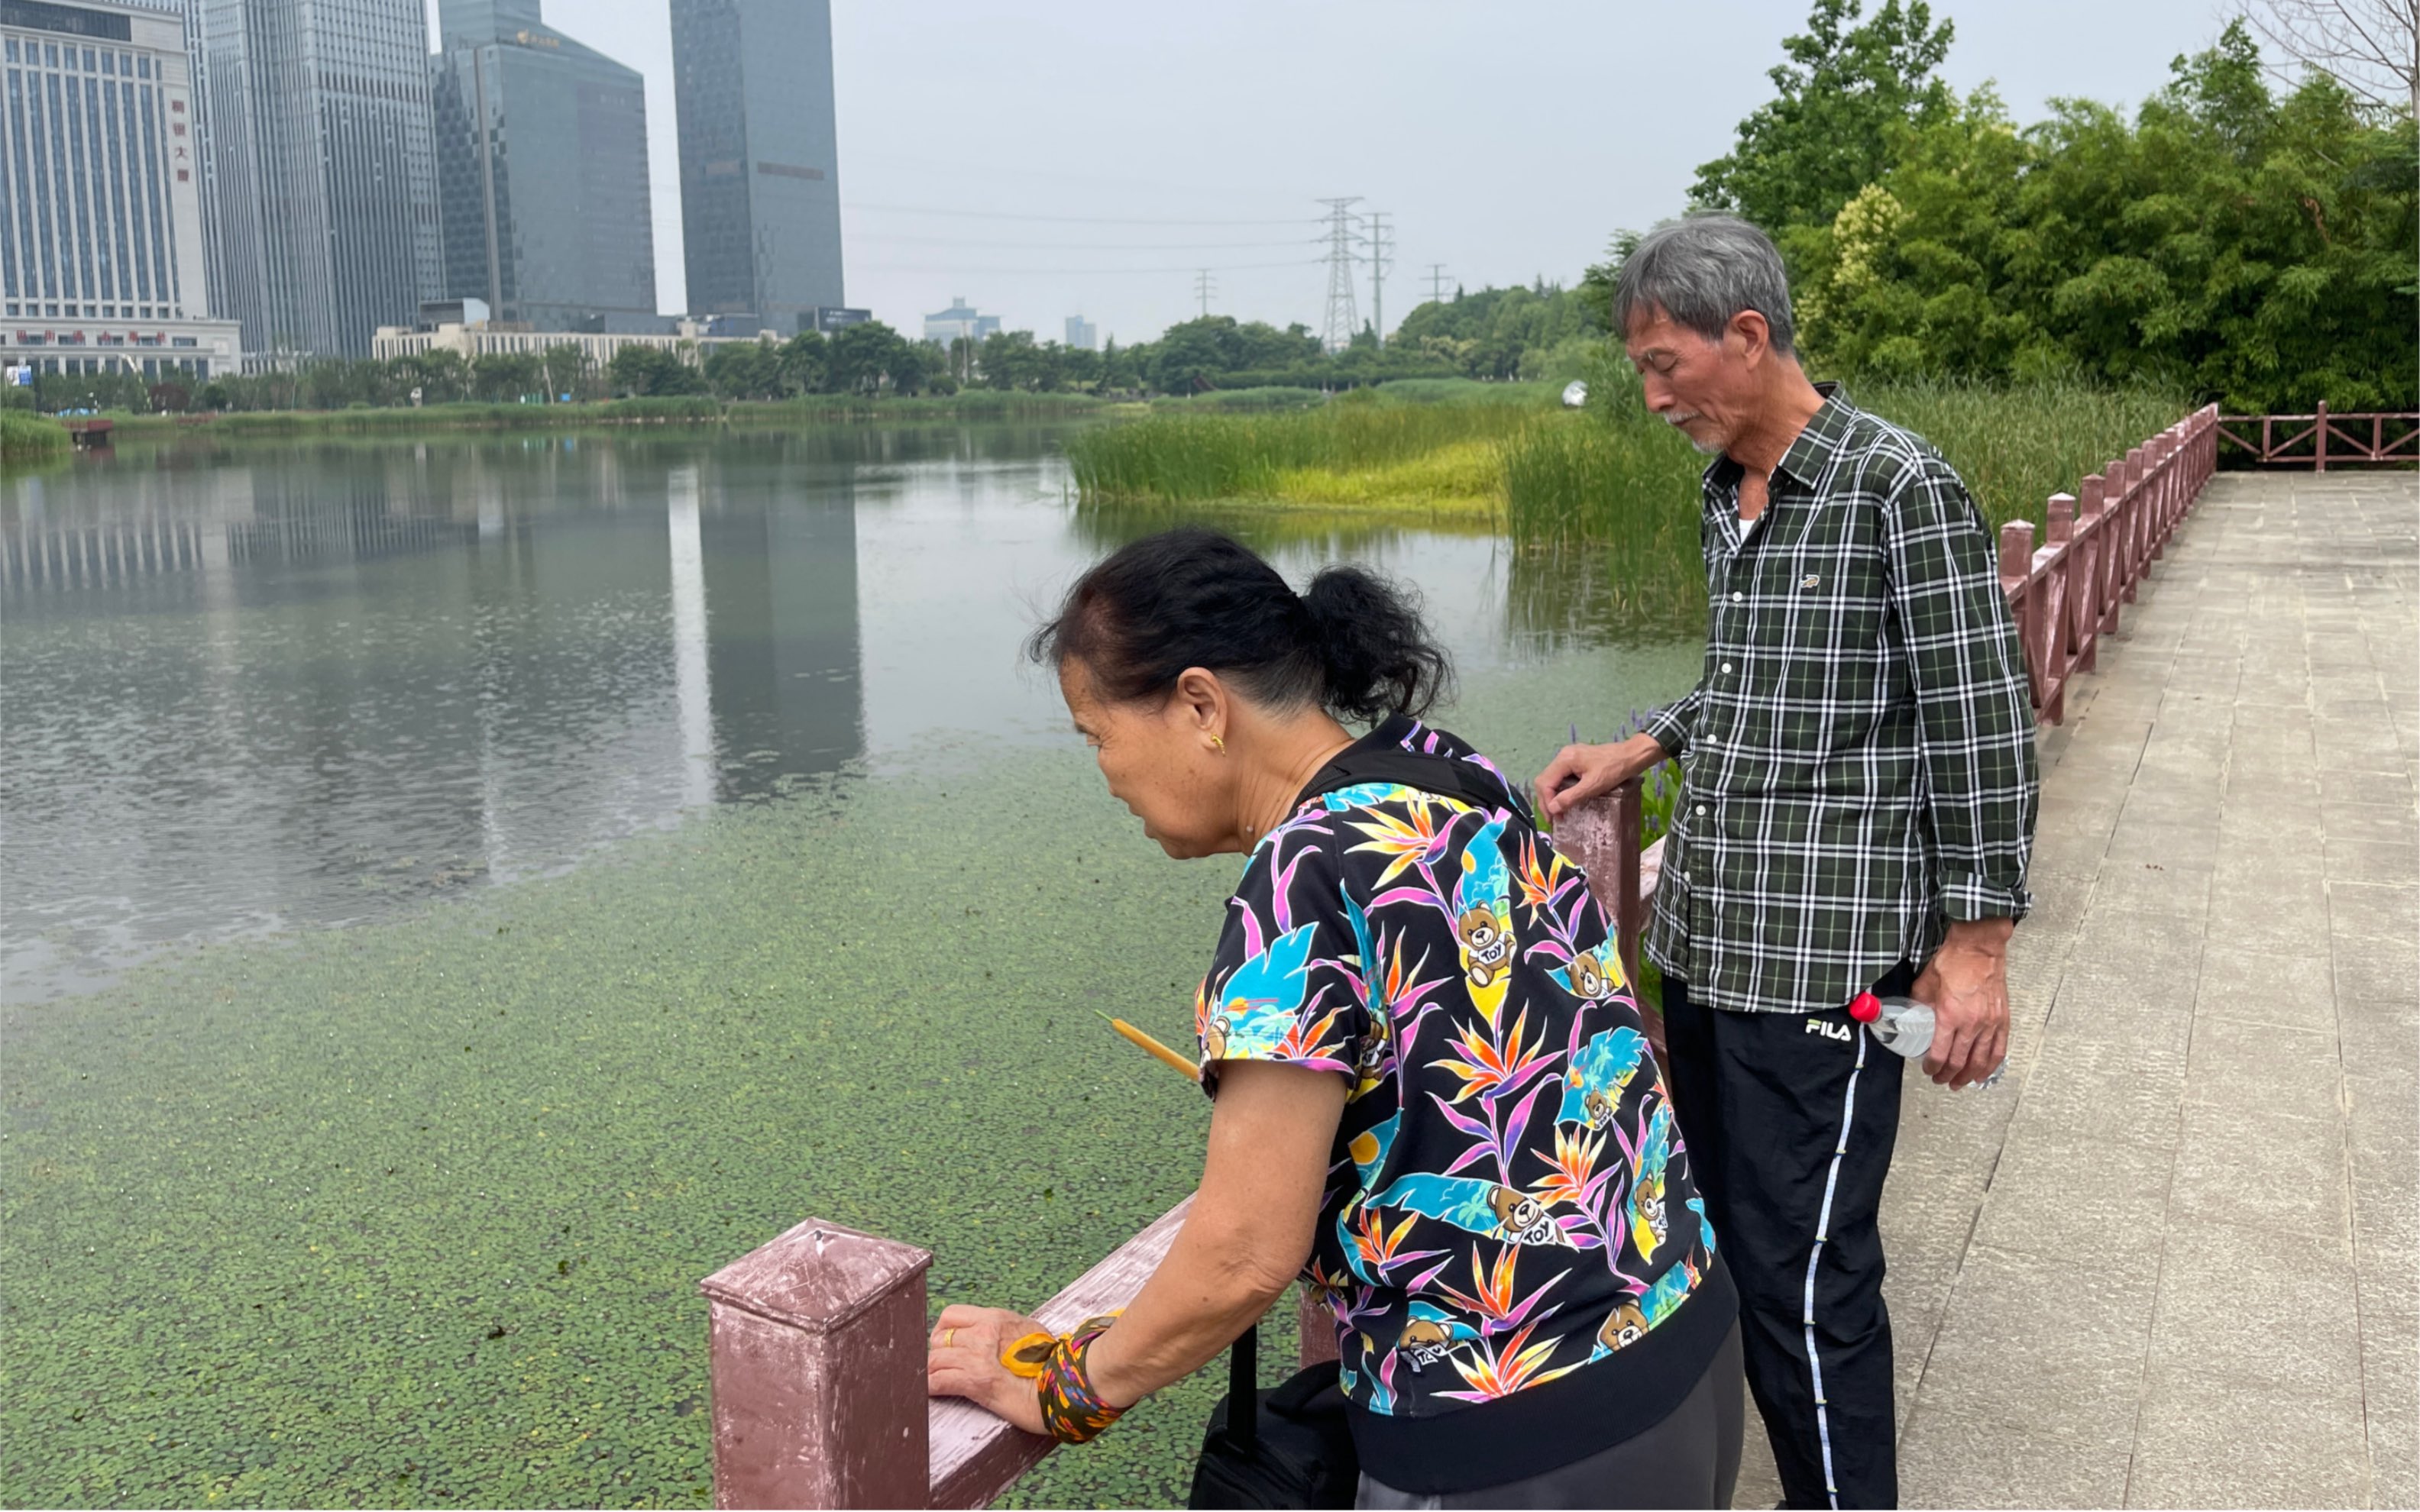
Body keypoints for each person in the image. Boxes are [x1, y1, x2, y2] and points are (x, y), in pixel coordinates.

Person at [927, 528, 1743, 1509]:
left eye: (1098, 736)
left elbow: (1241, 1255)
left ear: (1199, 705)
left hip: (1514, 1433)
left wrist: (1057, 1386)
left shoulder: (1299, 880)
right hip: (1683, 1337)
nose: (1104, 772)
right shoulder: (1447, 774)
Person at [1537, 215, 2039, 1510]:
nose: (1650, 399)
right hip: (1706, 943)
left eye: (1663, 366)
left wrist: (1973, 952)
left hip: (1824, 964)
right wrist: (1644, 742)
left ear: (1747, 338)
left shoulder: (1894, 487)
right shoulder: (1727, 495)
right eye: (1639, 369)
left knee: (1807, 1275)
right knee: (1717, 1248)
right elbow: (1748, 689)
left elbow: (1979, 720)